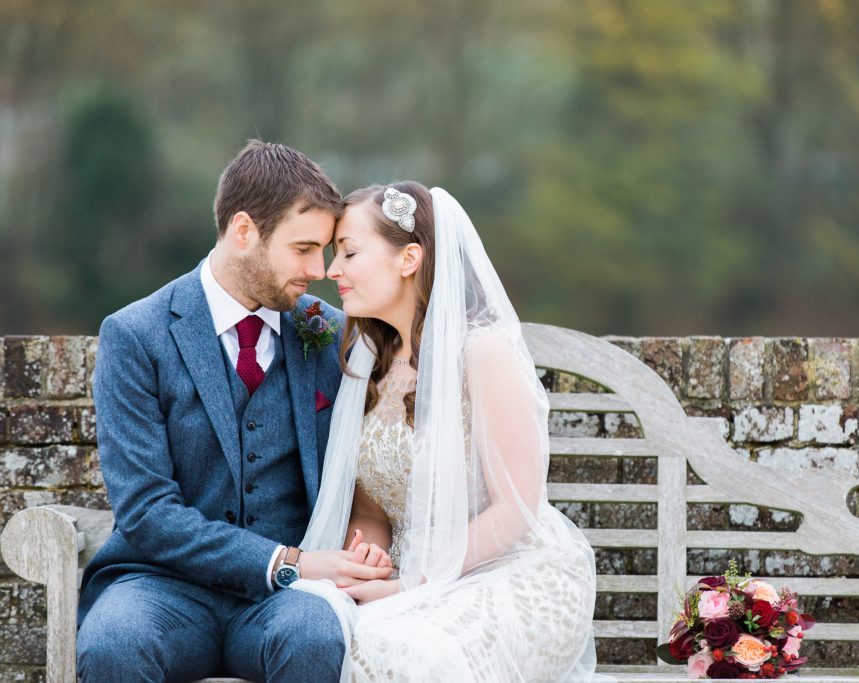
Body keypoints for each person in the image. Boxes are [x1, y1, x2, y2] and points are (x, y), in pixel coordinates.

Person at [76, 141, 392, 682]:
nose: (319, 270)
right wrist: (287, 562)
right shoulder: (135, 336)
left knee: (314, 636)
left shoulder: (330, 333)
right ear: (244, 232)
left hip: (285, 604)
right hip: (159, 585)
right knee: (113, 644)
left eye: (325, 250)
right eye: (304, 248)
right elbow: (147, 511)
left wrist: (360, 555)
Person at [292, 182, 599, 681]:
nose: (332, 271)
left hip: (512, 570)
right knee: (327, 626)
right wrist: (368, 555)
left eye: (348, 252)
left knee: (413, 651)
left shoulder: (482, 351)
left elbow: (518, 508)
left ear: (409, 258)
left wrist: (414, 583)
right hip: (411, 577)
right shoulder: (369, 361)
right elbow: (371, 508)